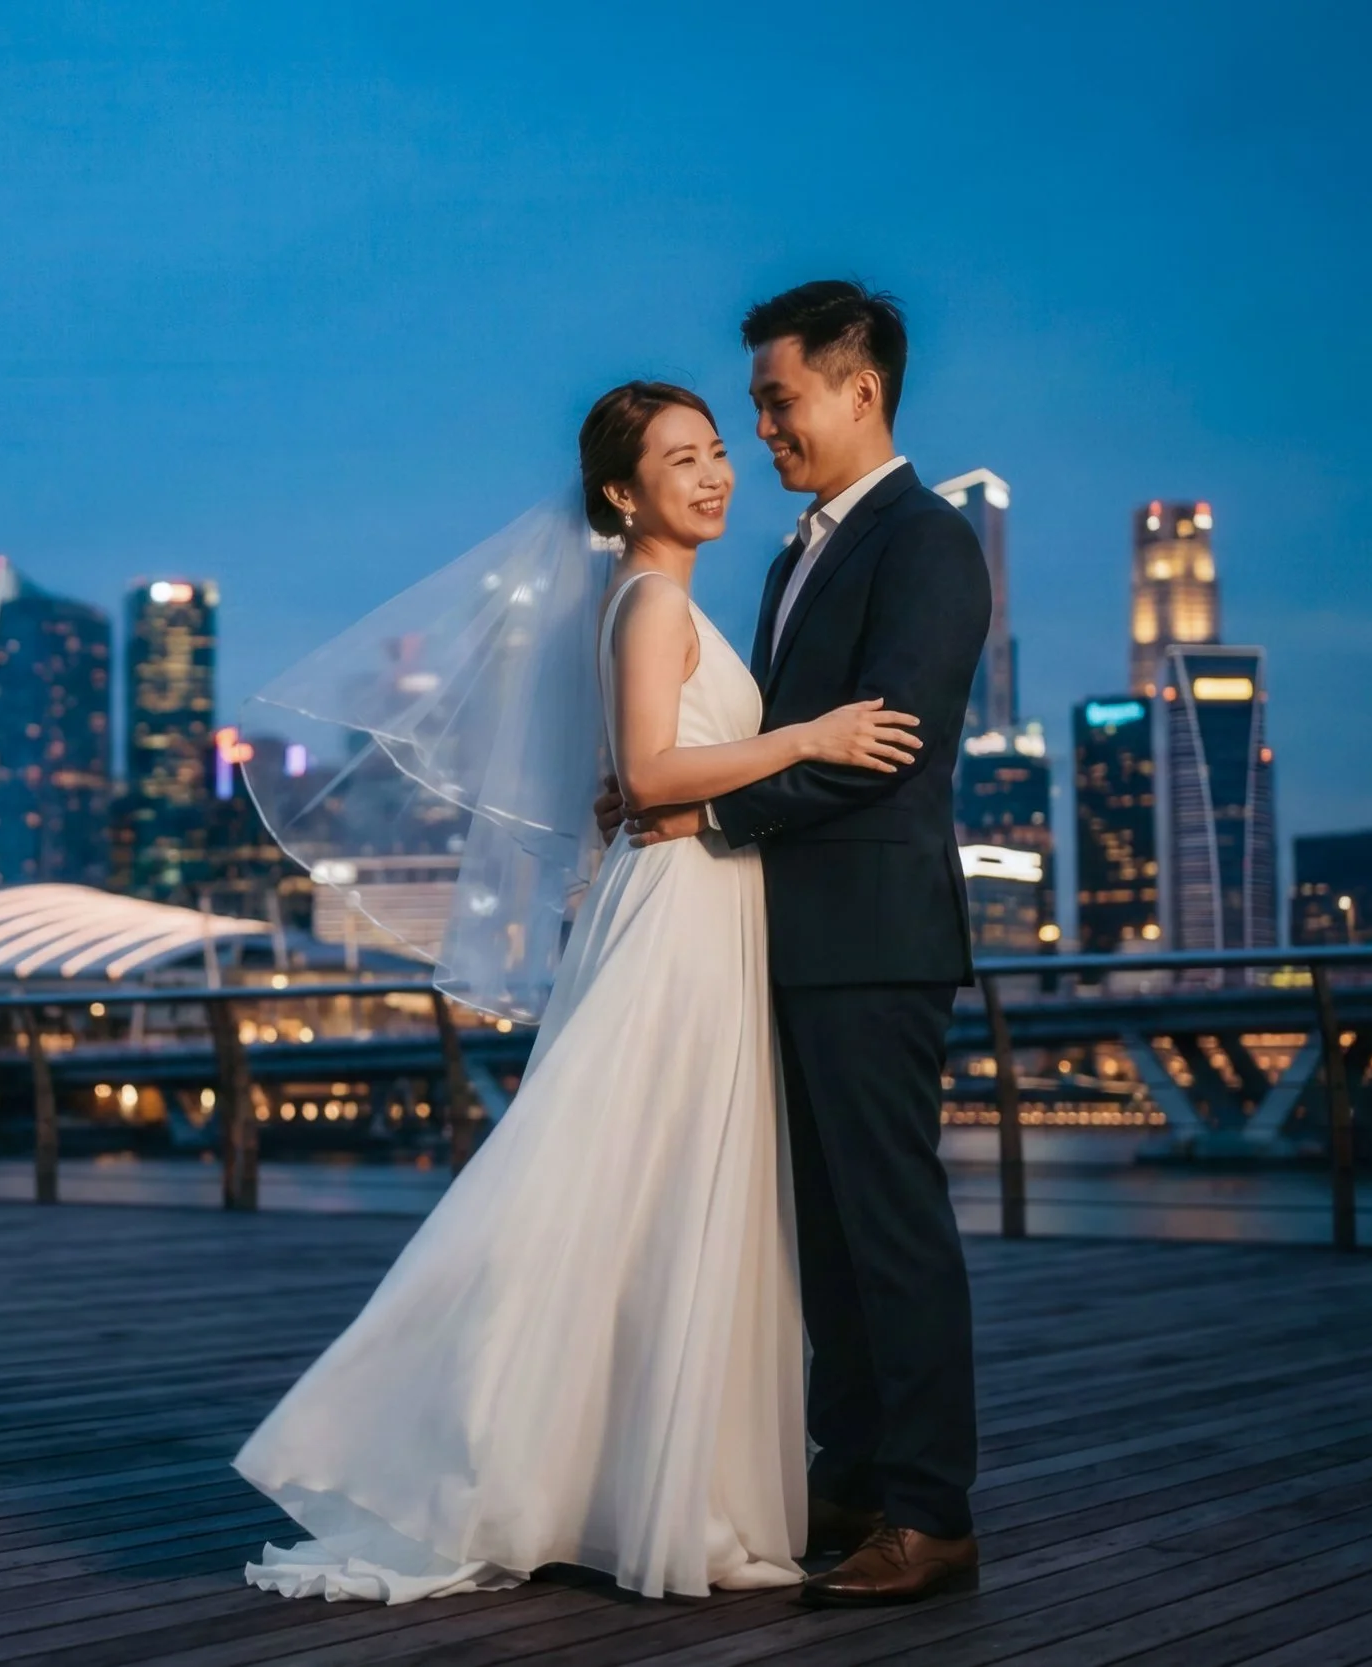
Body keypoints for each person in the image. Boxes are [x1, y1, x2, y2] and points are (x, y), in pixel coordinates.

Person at [231, 378, 924, 1603]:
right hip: (675, 916)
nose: (714, 474)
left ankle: (621, 1477)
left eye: (718, 453)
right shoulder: (651, 599)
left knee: (651, 1190)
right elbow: (655, 772)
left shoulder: (663, 601)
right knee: (608, 1176)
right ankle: (509, 1457)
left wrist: (671, 778)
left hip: (703, 907)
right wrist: (806, 738)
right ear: (619, 491)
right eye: (681, 459)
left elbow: (640, 773)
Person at [604, 280, 992, 1606]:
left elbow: (890, 747)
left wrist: (708, 811)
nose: (760, 428)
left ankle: (933, 1515)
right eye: (758, 403)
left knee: (892, 1228)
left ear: (858, 387)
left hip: (875, 935)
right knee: (823, 1237)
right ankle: (853, 1475)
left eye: (777, 399)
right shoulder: (790, 558)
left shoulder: (927, 542)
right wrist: (665, 783)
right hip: (783, 935)